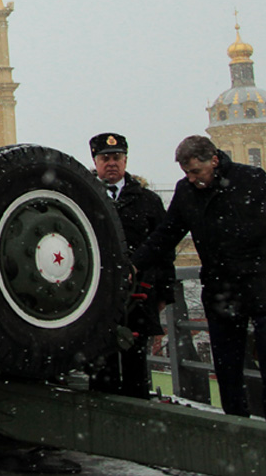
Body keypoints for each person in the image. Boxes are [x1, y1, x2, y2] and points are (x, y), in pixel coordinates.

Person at [131, 135, 266, 424]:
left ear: (214, 160)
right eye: (187, 173)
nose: (193, 178)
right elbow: (166, 235)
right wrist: (134, 264)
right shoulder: (187, 192)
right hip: (221, 286)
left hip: (264, 283)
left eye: (197, 171)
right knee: (226, 364)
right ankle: (236, 423)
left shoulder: (251, 180)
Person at [88, 132, 173, 398]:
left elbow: (164, 248)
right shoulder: (86, 197)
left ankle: (137, 410)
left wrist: (165, 292)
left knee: (136, 361)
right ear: (95, 161)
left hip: (139, 293)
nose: (111, 163)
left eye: (117, 157)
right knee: (101, 363)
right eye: (105, 158)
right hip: (97, 294)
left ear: (125, 160)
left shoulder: (147, 201)